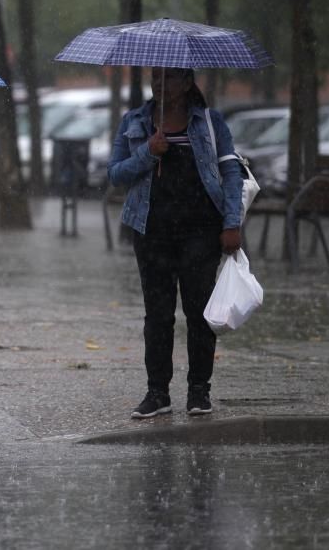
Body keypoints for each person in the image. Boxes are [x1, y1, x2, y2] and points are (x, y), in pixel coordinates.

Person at [108, 67, 243, 419]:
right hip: (151, 231)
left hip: (201, 231)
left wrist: (232, 222)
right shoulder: (135, 121)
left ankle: (199, 391)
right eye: (155, 77)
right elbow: (115, 174)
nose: (159, 84)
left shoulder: (210, 122)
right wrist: (148, 152)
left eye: (169, 77)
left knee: (199, 313)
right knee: (157, 316)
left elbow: (230, 172)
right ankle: (158, 393)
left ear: (186, 83)